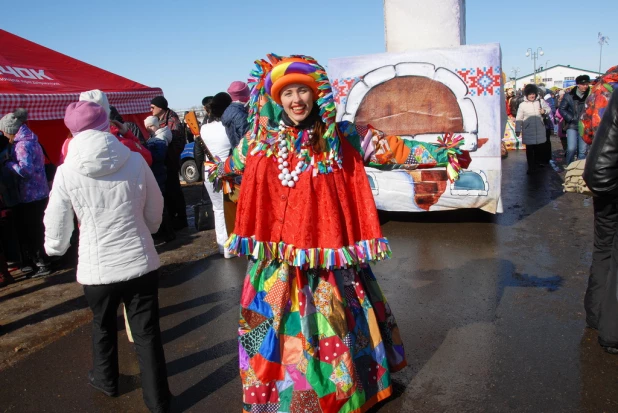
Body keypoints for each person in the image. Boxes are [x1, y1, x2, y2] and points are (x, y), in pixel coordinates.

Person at [206, 54, 406, 412]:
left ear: (317, 95)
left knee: (337, 327)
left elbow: (393, 149)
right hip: (276, 264)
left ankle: (350, 393)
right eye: (287, 93)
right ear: (276, 98)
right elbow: (232, 166)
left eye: (303, 91)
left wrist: (451, 152)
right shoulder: (258, 141)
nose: (296, 100)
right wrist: (218, 169)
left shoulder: (340, 136)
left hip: (328, 259)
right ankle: (272, 398)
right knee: (267, 332)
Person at [43, 101, 171, 411]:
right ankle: (158, 402)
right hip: (139, 261)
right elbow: (155, 207)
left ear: (71, 130)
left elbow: (57, 220)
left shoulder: (66, 171)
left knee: (102, 326)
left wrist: (54, 248)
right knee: (147, 333)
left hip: (96, 268)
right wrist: (149, 229)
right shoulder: (134, 160)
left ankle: (107, 380)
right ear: (106, 124)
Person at [583, 90, 618, 354]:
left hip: (607, 185)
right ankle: (612, 333)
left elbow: (601, 151)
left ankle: (597, 318)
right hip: (609, 185)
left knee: (604, 249)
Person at [0, 109, 51, 277]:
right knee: (38, 229)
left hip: (30, 195)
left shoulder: (21, 145)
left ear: (10, 130)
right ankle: (43, 261)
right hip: (40, 192)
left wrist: (9, 164)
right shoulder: (31, 139)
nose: (4, 134)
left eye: (4, 131)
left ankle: (42, 264)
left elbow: (26, 170)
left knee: (33, 231)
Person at [200, 92, 232, 258]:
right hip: (228, 172)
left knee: (218, 210)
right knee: (232, 209)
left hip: (209, 171)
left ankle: (223, 247)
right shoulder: (227, 127)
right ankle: (233, 246)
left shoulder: (204, 128)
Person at [150, 96, 187, 230]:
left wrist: (165, 147)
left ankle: (181, 219)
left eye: (153, 107)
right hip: (165, 160)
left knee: (174, 189)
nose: (151, 109)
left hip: (170, 160)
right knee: (169, 190)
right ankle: (174, 217)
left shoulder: (172, 119)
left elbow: (178, 141)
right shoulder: (161, 119)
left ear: (160, 107)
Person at [144, 115, 175, 242]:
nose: (148, 129)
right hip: (158, 172)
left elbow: (159, 156)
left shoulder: (160, 139)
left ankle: (168, 232)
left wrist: (147, 153)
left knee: (161, 204)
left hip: (158, 173)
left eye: (149, 126)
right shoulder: (157, 137)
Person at [515, 84, 551, 174]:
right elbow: (519, 118)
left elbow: (549, 109)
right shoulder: (522, 105)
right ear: (526, 95)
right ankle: (531, 167)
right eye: (530, 94)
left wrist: (544, 111)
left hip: (539, 129)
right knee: (530, 150)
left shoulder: (540, 101)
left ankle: (538, 164)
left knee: (539, 148)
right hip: (528, 130)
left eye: (533, 93)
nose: (532, 95)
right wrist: (517, 129)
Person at [560, 75, 591, 165]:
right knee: (571, 148)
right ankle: (569, 166)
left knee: (582, 151)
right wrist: (571, 118)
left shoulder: (590, 95)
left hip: (585, 126)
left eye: (587, 84)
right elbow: (562, 109)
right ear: (578, 84)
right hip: (572, 125)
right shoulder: (569, 96)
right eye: (583, 84)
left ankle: (579, 170)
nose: (585, 86)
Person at [221, 81, 250, 148]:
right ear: (246, 96)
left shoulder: (227, 111)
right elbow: (246, 140)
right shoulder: (241, 115)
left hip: (235, 151)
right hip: (243, 153)